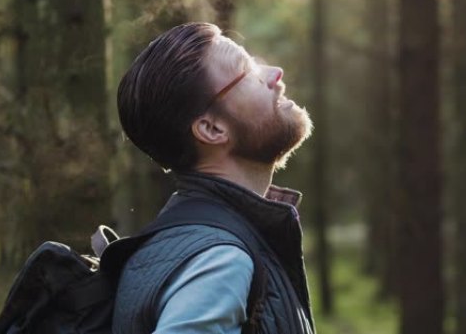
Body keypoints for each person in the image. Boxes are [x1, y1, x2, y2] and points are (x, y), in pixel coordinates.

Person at [113, 22, 315, 334]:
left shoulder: (193, 238)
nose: (275, 73)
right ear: (211, 129)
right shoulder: (220, 260)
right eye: (247, 71)